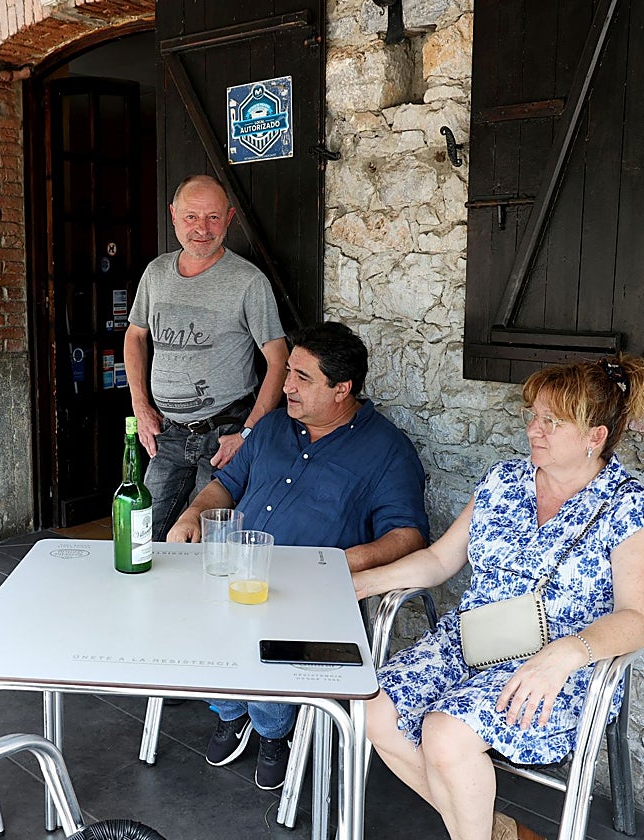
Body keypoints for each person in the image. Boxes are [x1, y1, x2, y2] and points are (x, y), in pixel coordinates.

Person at [353, 355, 644, 840]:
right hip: (475, 641)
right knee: (374, 707)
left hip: (558, 668)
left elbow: (636, 618)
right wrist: (361, 582)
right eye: (533, 414)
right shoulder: (503, 482)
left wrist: (566, 654)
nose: (535, 429)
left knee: (445, 735)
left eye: (553, 421)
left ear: (596, 437)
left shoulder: (631, 510)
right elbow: (440, 560)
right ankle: (494, 832)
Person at [167, 321, 429, 790]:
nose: (286, 386)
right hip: (236, 573)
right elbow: (224, 486)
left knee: (273, 625)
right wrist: (193, 514)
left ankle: (273, 729)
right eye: (288, 372)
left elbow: (407, 536)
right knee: (190, 605)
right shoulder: (271, 428)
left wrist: (339, 564)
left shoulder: (388, 452)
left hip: (309, 593)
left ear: (342, 389)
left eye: (302, 378)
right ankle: (232, 710)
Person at [124, 174, 290, 540]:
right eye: (191, 217)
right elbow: (135, 336)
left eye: (213, 217)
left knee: (207, 540)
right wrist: (140, 404)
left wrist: (248, 433)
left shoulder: (248, 281)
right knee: (143, 536)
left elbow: (279, 360)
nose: (202, 228)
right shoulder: (155, 274)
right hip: (166, 433)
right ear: (173, 215)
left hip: (225, 434)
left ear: (229, 218)